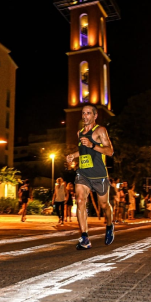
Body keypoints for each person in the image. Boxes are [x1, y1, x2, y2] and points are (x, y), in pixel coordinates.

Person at [66, 103, 114, 250]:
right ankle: (85, 238)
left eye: (88, 113)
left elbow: (110, 151)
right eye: (83, 113)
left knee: (104, 205)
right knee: (80, 200)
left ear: (95, 116)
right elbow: (84, 152)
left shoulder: (100, 131)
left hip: (99, 175)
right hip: (84, 173)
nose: (85, 116)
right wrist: (73, 156)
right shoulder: (80, 133)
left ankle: (110, 225)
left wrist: (93, 145)